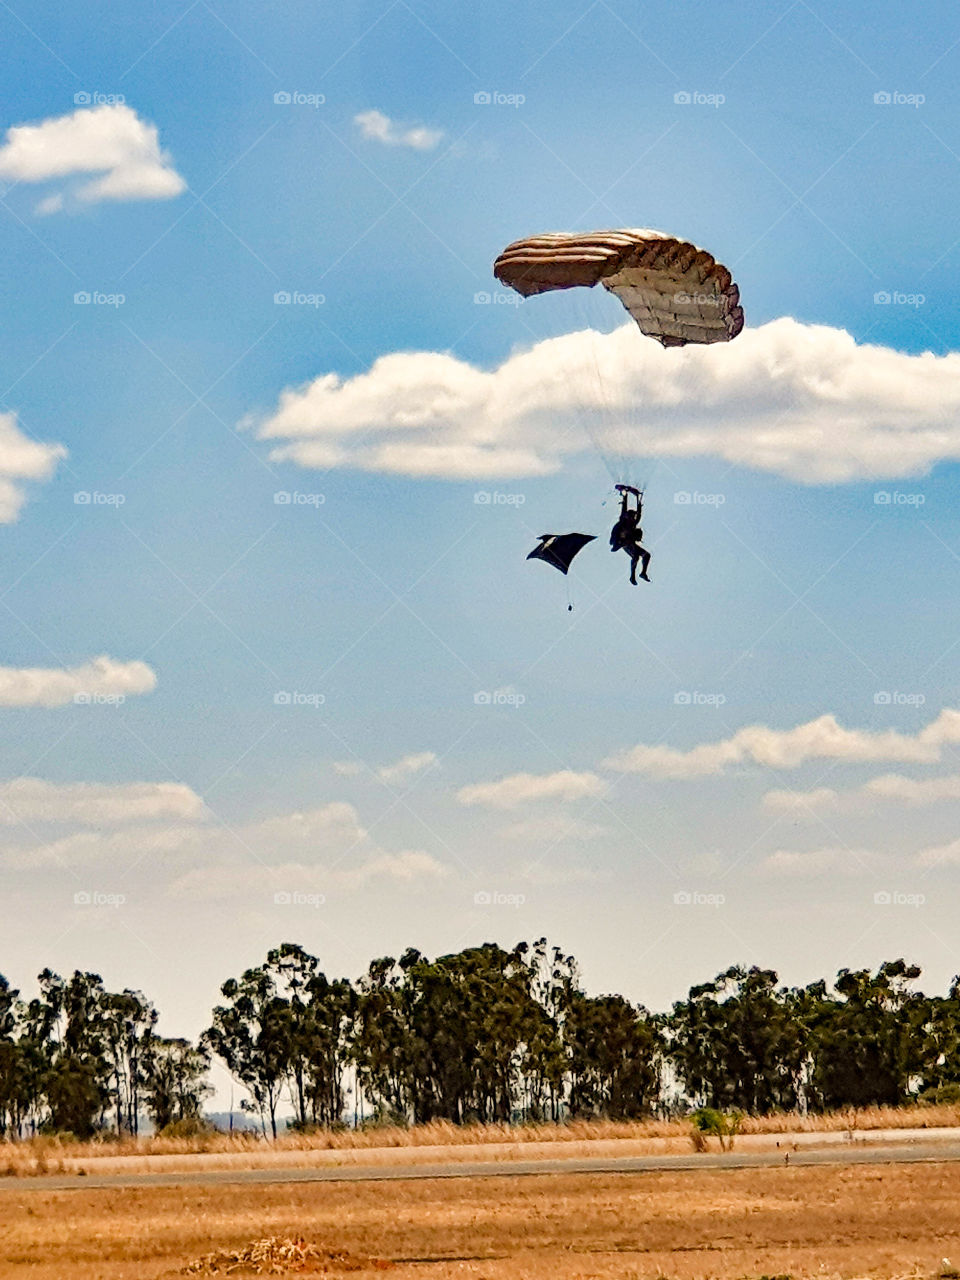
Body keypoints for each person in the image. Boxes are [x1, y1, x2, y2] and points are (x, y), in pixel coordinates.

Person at [609, 484, 650, 585]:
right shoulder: (623, 520)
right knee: (635, 557)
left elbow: (639, 513)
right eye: (632, 516)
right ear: (628, 516)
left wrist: (638, 500)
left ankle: (643, 573)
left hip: (630, 542)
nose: (633, 518)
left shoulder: (633, 523)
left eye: (633, 517)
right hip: (624, 543)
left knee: (646, 555)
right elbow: (624, 507)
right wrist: (625, 495)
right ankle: (632, 576)